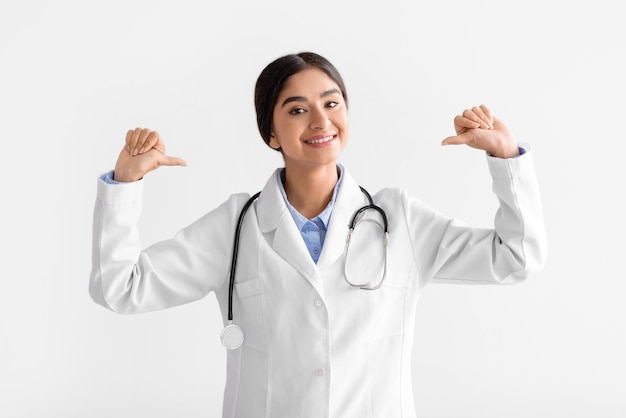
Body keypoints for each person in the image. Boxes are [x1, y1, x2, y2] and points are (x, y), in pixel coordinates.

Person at [89, 51, 547, 417]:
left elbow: (516, 258)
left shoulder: (399, 219)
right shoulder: (235, 226)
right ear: (271, 133)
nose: (321, 120)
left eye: (331, 103)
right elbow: (120, 289)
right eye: (297, 109)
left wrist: (506, 160)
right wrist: (126, 185)